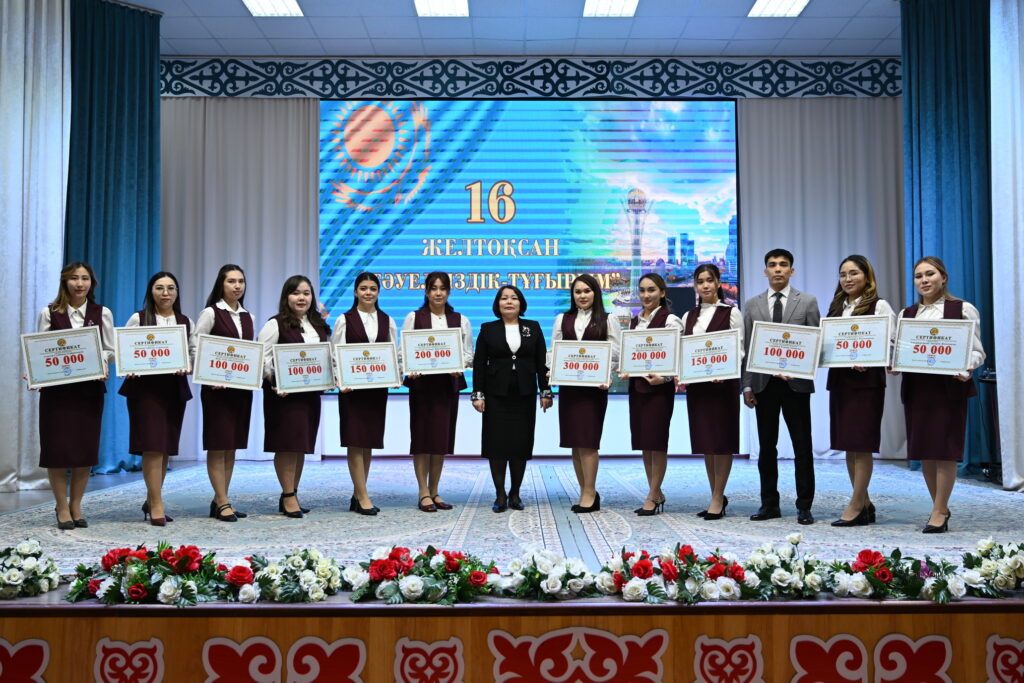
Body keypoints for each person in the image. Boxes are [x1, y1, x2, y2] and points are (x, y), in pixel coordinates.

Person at [893, 256, 985, 534]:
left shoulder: (963, 309)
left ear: (943, 277)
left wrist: (967, 367)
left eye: (930, 274)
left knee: (944, 450)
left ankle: (939, 510)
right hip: (917, 388)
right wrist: (893, 362)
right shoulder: (907, 314)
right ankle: (939, 507)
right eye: (918, 276)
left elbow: (977, 351)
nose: (924, 280)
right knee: (925, 451)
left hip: (948, 389)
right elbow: (899, 350)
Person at [32, 262, 114, 530]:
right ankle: (61, 505)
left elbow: (111, 350)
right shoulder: (49, 313)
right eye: (74, 278)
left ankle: (76, 505)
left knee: (84, 450)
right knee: (56, 450)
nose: (80, 284)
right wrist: (34, 372)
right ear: (65, 282)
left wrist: (102, 361)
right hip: (57, 394)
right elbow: (39, 350)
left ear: (92, 283)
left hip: (89, 392)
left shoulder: (102, 313)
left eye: (85, 278)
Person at [742, 248, 820, 525]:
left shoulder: (808, 302)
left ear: (791, 270)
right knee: (766, 448)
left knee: (802, 446)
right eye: (773, 265)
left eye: (783, 265)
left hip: (796, 385)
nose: (778, 269)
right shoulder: (752, 304)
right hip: (763, 385)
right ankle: (769, 504)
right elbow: (747, 347)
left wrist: (799, 368)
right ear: (765, 271)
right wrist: (746, 386)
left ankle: (804, 506)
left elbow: (814, 343)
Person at [825, 255, 895, 527]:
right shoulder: (836, 306)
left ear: (867, 276)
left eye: (854, 273)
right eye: (843, 274)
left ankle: (855, 504)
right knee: (848, 445)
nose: (848, 279)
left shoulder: (880, 305)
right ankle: (864, 503)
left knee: (862, 445)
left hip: (867, 383)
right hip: (841, 381)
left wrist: (872, 359)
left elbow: (891, 342)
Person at [120, 271, 193, 526]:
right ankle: (158, 503)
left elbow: (193, 352)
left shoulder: (185, 321)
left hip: (174, 390)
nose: (165, 293)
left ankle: (151, 500)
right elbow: (125, 350)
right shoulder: (138, 319)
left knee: (164, 448)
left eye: (170, 288)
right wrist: (128, 365)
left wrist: (189, 364)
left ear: (177, 292)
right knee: (152, 445)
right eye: (159, 287)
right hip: (145, 391)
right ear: (151, 292)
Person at [472, 285, 552, 513]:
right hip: (495, 395)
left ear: (521, 303)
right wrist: (478, 394)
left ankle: (515, 493)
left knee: (520, 444)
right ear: (497, 304)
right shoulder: (488, 329)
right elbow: (479, 363)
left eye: (514, 298)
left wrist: (545, 391)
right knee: (496, 445)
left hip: (524, 394)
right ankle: (500, 494)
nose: (509, 302)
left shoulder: (533, 327)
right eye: (504, 298)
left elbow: (541, 362)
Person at [258, 275, 330, 518]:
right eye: (296, 293)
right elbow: (263, 358)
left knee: (300, 446)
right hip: (284, 397)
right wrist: (276, 379)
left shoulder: (317, 325)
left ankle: (292, 493)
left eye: (306, 293)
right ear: (286, 296)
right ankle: (288, 495)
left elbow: (325, 358)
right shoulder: (274, 324)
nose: (302, 298)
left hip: (309, 396)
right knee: (286, 445)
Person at [401, 272, 473, 513]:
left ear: (449, 291)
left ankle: (435, 490)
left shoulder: (460, 320)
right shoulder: (414, 317)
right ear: (426, 291)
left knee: (440, 439)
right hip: (422, 387)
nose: (438, 293)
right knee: (422, 439)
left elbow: (468, 354)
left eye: (443, 288)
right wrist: (409, 368)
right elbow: (404, 352)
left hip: (446, 387)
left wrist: (460, 365)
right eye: (434, 288)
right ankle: (423, 491)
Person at [549, 274, 620, 513]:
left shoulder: (608, 319)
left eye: (587, 291)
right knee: (575, 442)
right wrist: (552, 372)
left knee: (588, 442)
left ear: (595, 293)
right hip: (569, 389)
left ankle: (590, 492)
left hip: (594, 390)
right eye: (578, 291)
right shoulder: (562, 319)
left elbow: (615, 353)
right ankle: (584, 491)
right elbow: (554, 352)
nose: (582, 296)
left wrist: (606, 375)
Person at [331, 272, 398, 516]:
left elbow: (392, 352)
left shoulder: (387, 320)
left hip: (376, 390)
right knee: (355, 440)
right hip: (352, 390)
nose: (368, 292)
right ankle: (363, 496)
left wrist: (394, 375)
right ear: (355, 292)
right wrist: (340, 381)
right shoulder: (344, 319)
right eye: (363, 288)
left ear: (378, 292)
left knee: (368, 442)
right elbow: (335, 353)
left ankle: (358, 493)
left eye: (372, 288)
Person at [681, 264, 743, 520]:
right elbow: (684, 350)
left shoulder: (732, 312)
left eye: (709, 280)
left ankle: (718, 496)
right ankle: (714, 494)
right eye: (700, 281)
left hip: (722, 386)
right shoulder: (688, 316)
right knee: (706, 441)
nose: (705, 285)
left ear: (718, 283)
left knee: (722, 441)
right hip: (699, 388)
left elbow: (739, 349)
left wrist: (725, 370)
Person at [194, 264, 254, 523]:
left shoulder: (248, 316)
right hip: (216, 392)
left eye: (241, 281)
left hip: (240, 390)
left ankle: (221, 498)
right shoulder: (210, 313)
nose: (237, 286)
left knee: (231, 446)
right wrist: (210, 377)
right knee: (218, 445)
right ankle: (222, 500)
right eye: (231, 281)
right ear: (221, 284)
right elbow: (197, 347)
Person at [624, 273, 682, 516]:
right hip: (637, 389)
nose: (646, 295)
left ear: (662, 292)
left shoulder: (671, 321)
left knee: (657, 443)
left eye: (651, 290)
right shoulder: (634, 322)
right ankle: (655, 491)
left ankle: (652, 496)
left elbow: (678, 356)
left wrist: (665, 378)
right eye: (642, 290)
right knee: (645, 443)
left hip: (659, 390)